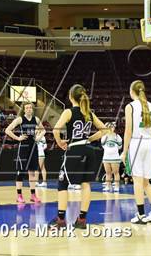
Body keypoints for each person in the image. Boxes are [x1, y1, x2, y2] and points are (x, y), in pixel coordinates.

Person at [49, 84, 106, 229]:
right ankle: (82, 220)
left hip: (75, 150)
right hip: (89, 150)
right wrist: (90, 139)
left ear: (70, 97)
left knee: (63, 183)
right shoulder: (89, 113)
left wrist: (60, 142)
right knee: (85, 184)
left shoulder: (69, 112)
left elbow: (56, 130)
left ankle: (61, 220)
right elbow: (104, 129)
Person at [121, 80, 151, 224]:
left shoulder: (130, 106)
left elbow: (128, 130)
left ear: (132, 91)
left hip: (137, 142)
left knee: (137, 181)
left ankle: (140, 214)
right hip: (149, 144)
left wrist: (124, 151)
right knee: (146, 182)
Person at [5, 102, 46, 204]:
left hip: (33, 147)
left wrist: (38, 138)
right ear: (24, 109)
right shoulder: (20, 119)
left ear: (32, 109)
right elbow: (7, 130)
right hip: (23, 147)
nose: (29, 109)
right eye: (27, 108)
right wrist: (18, 138)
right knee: (20, 172)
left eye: (30, 108)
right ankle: (19, 195)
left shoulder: (36, 119)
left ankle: (33, 195)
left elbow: (43, 130)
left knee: (32, 172)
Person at [101, 122, 122, 193]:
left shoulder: (117, 136)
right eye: (109, 127)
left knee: (116, 172)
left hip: (115, 157)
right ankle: (107, 185)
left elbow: (120, 146)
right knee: (108, 173)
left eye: (112, 127)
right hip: (106, 157)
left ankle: (116, 186)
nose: (111, 129)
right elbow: (103, 145)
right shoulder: (104, 136)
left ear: (114, 128)